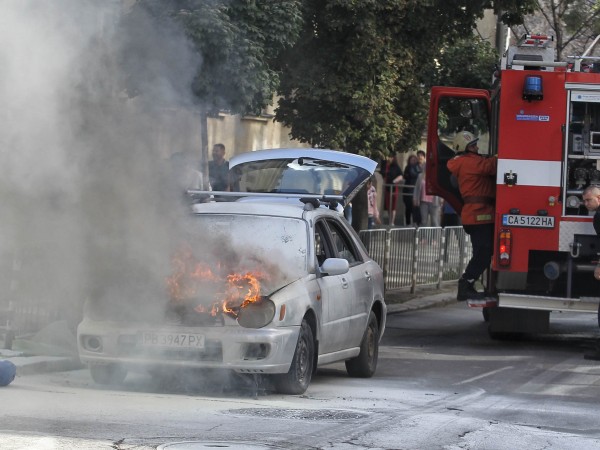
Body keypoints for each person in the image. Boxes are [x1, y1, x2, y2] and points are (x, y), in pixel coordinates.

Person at [447, 130, 497, 301]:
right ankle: (466, 283)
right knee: (484, 253)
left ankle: (471, 283)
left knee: (481, 252)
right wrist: (503, 153)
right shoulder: (468, 162)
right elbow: (490, 166)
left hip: (478, 215)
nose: (476, 147)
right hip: (479, 215)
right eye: (473, 145)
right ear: (465, 148)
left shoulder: (464, 162)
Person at [382, 154, 403, 225]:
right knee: (388, 205)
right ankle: (389, 219)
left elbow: (401, 175)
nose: (388, 158)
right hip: (387, 188)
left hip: (394, 188)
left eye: (390, 157)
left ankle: (392, 221)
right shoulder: (385, 165)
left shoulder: (396, 166)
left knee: (393, 205)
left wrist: (395, 181)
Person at [402, 154, 421, 225]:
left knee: (415, 208)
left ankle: (415, 223)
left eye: (414, 160)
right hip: (408, 190)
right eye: (411, 160)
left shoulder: (418, 167)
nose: (413, 161)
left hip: (414, 190)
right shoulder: (408, 167)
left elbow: (417, 175)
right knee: (408, 208)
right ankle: (408, 223)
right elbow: (407, 175)